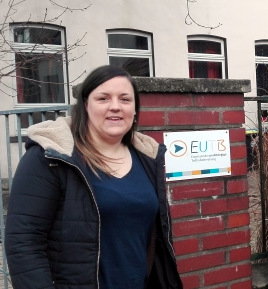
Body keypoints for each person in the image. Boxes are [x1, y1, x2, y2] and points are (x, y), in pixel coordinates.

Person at [5, 65, 183, 289]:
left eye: (125, 99)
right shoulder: (50, 157)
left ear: (135, 109)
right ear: (86, 105)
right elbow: (23, 243)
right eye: (103, 98)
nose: (115, 107)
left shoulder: (148, 158)